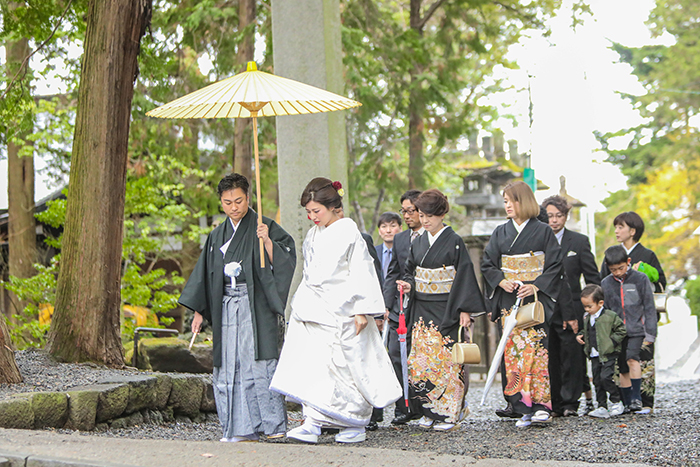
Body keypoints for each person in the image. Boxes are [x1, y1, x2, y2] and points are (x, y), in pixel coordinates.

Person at [270, 177, 401, 444]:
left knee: (347, 366)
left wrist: (363, 309)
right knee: (314, 365)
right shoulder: (312, 235)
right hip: (313, 306)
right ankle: (313, 421)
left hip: (344, 308)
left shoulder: (349, 231)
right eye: (308, 212)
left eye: (316, 211)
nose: (312, 217)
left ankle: (353, 423)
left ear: (332, 207)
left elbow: (361, 269)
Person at [178, 173, 296, 443]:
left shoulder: (263, 225)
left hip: (255, 305)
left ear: (248, 198)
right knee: (229, 363)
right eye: (228, 202)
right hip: (225, 304)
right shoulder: (217, 234)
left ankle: (273, 425)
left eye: (239, 201)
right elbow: (205, 274)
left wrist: (267, 241)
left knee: (259, 362)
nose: (234, 207)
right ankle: (239, 428)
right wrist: (199, 310)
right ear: (221, 203)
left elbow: (287, 256)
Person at [395, 189, 485, 431]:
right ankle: (427, 410)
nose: (425, 221)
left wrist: (465, 309)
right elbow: (410, 271)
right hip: (422, 306)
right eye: (422, 216)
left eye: (430, 217)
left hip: (447, 307)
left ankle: (449, 412)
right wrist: (408, 284)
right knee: (421, 360)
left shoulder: (454, 241)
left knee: (446, 361)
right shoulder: (419, 241)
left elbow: (464, 275)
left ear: (442, 214)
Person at [481, 181, 564, 428]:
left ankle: (540, 405)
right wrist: (501, 281)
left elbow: (555, 264)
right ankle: (519, 405)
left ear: (524, 201)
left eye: (511, 201)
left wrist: (537, 285)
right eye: (505, 201)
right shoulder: (500, 231)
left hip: (534, 298)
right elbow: (488, 263)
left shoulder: (543, 231)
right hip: (509, 298)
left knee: (537, 352)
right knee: (513, 353)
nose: (507, 206)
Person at [599, 211, 664, 413]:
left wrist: (643, 271)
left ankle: (646, 402)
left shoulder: (648, 255)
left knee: (642, 361)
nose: (617, 231)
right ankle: (628, 402)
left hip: (640, 320)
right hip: (618, 322)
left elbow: (661, 282)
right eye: (616, 227)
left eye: (621, 227)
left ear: (632, 231)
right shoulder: (611, 257)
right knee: (623, 363)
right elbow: (603, 287)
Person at [542, 195, 601, 417]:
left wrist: (591, 306)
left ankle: (570, 402)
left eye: (559, 215)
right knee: (550, 354)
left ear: (566, 217)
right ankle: (553, 402)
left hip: (574, 305)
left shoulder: (578, 241)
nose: (554, 220)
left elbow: (592, 277)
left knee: (573, 356)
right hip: (547, 306)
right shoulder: (538, 241)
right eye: (550, 216)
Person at [382, 189, 424, 425]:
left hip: (426, 303)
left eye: (411, 211)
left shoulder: (433, 235)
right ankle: (403, 406)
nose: (407, 216)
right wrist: (387, 305)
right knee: (397, 354)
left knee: (422, 354)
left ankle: (424, 404)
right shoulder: (399, 238)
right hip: (400, 305)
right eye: (404, 211)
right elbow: (392, 273)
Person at [576, 284, 627, 418]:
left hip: (608, 354)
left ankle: (616, 401)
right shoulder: (587, 317)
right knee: (597, 380)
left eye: (589, 306)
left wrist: (612, 343)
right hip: (593, 354)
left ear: (600, 303)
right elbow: (588, 331)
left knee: (606, 378)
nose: (587, 309)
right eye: (585, 307)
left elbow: (622, 330)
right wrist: (580, 335)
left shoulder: (610, 316)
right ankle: (602, 406)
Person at [376, 212, 403, 280]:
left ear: (400, 228)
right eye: (384, 227)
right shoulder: (373, 252)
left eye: (393, 226)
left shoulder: (406, 251)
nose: (388, 231)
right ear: (379, 230)